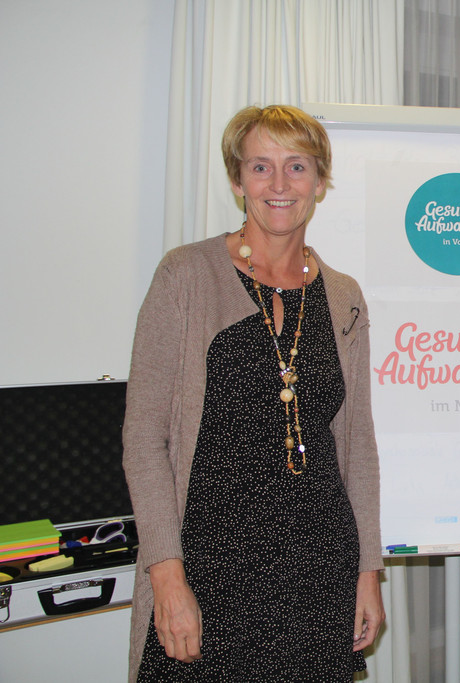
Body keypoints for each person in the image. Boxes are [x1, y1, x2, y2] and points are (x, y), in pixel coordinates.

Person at [123, 104, 384, 682]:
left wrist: (367, 572)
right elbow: (143, 440)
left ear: (320, 182)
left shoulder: (344, 295)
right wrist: (166, 576)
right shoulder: (185, 276)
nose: (279, 184)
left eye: (297, 166)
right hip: (209, 571)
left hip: (319, 571)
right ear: (238, 180)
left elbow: (357, 447)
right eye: (261, 166)